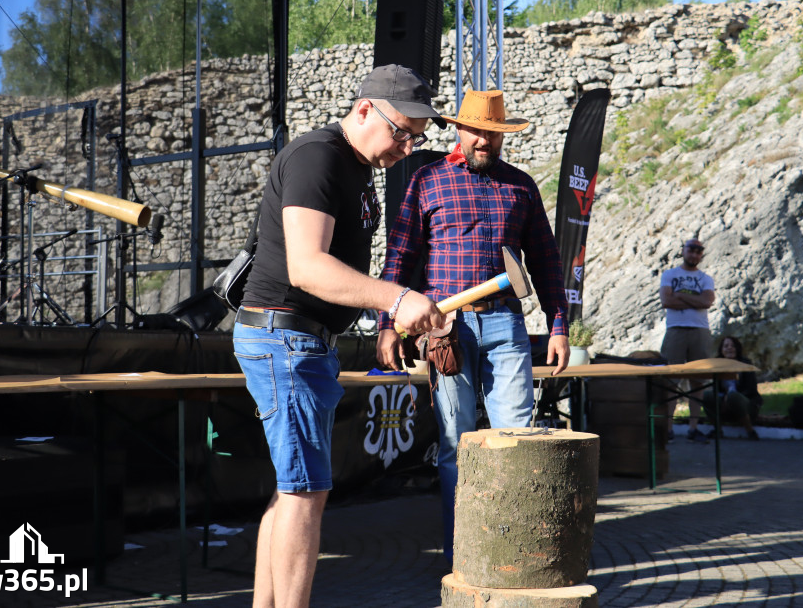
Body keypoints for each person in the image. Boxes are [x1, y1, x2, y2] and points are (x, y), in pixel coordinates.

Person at [232, 64, 447, 608]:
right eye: (402, 132)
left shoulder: (355, 168)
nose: (406, 147)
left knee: (292, 491)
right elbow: (307, 268)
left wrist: (394, 312)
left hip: (304, 342)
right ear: (363, 109)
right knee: (306, 493)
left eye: (415, 139)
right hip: (284, 339)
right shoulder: (318, 157)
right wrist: (397, 299)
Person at [375, 89, 570, 565]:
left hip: (506, 327)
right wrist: (386, 324)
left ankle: (514, 556)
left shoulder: (521, 187)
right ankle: (462, 556)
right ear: (458, 130)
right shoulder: (426, 181)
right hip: (445, 329)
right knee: (453, 447)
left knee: (517, 440)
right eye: (476, 130)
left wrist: (559, 324)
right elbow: (399, 256)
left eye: (493, 133)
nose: (484, 140)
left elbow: (545, 260)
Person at [659, 237, 716, 444]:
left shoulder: (705, 278)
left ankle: (693, 427)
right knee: (671, 380)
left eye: (698, 251)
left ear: (701, 255)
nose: (694, 254)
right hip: (675, 330)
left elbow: (708, 301)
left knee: (698, 381)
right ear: (683, 251)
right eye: (691, 250)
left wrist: (680, 296)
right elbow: (666, 300)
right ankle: (668, 428)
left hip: (700, 330)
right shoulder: (670, 274)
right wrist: (695, 299)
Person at [703, 336, 762, 440]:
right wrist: (724, 397)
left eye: (732, 346)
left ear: (737, 348)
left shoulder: (746, 364)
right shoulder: (718, 366)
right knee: (707, 395)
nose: (729, 348)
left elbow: (751, 390)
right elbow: (716, 389)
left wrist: (730, 396)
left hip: (746, 404)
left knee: (733, 397)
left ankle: (750, 431)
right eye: (726, 346)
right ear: (721, 350)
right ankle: (718, 430)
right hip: (724, 404)